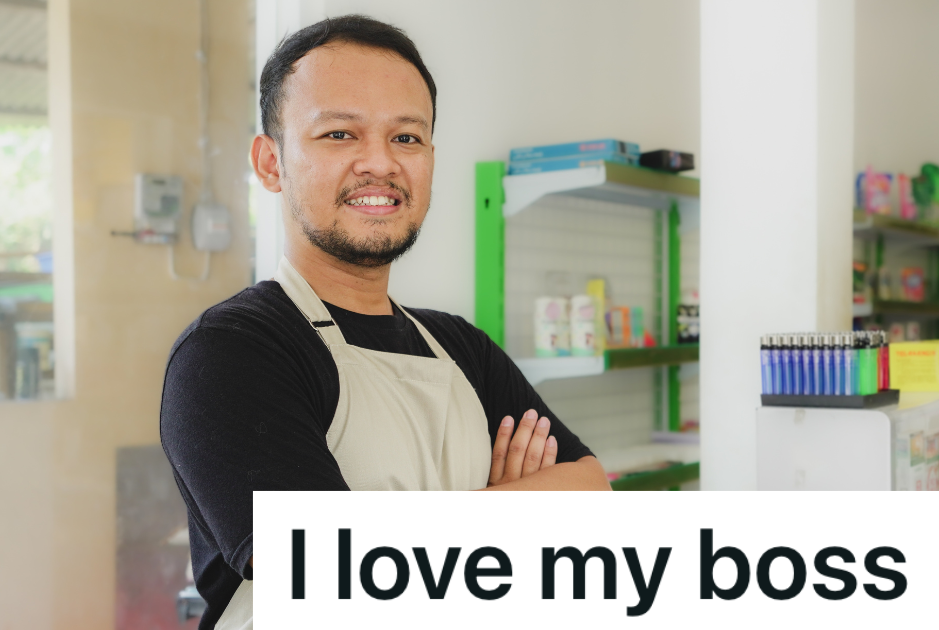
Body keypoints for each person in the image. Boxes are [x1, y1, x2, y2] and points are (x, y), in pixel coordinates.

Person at [159, 15, 610, 630]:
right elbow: (328, 566)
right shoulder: (232, 352)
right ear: (270, 163)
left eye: (406, 137)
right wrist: (513, 516)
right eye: (340, 133)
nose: (381, 162)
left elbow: (592, 492)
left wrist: (401, 534)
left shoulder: (461, 347)